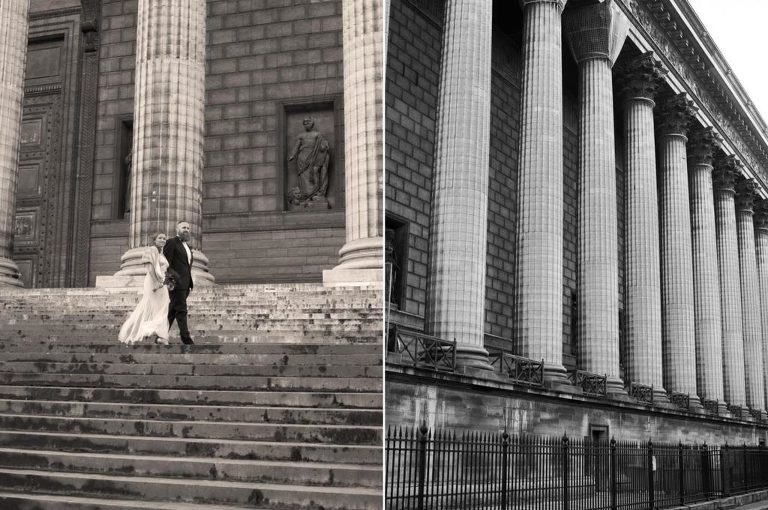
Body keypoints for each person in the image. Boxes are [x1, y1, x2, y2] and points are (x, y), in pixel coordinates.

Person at [118, 233, 171, 345]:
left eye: (164, 238)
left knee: (162, 307)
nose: (163, 240)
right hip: (154, 281)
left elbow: (163, 269)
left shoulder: (161, 253)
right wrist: (156, 282)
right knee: (155, 307)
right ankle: (152, 332)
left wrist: (166, 281)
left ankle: (160, 335)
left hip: (162, 282)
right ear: (154, 241)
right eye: (160, 238)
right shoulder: (151, 249)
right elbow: (149, 266)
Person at [164, 221, 195, 345]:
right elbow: (167, 264)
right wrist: (172, 281)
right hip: (176, 284)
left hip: (186, 284)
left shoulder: (188, 247)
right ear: (177, 229)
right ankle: (186, 338)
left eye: (188, 228)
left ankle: (161, 336)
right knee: (181, 310)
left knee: (172, 311)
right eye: (183, 227)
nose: (186, 229)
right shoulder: (171, 242)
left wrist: (189, 283)